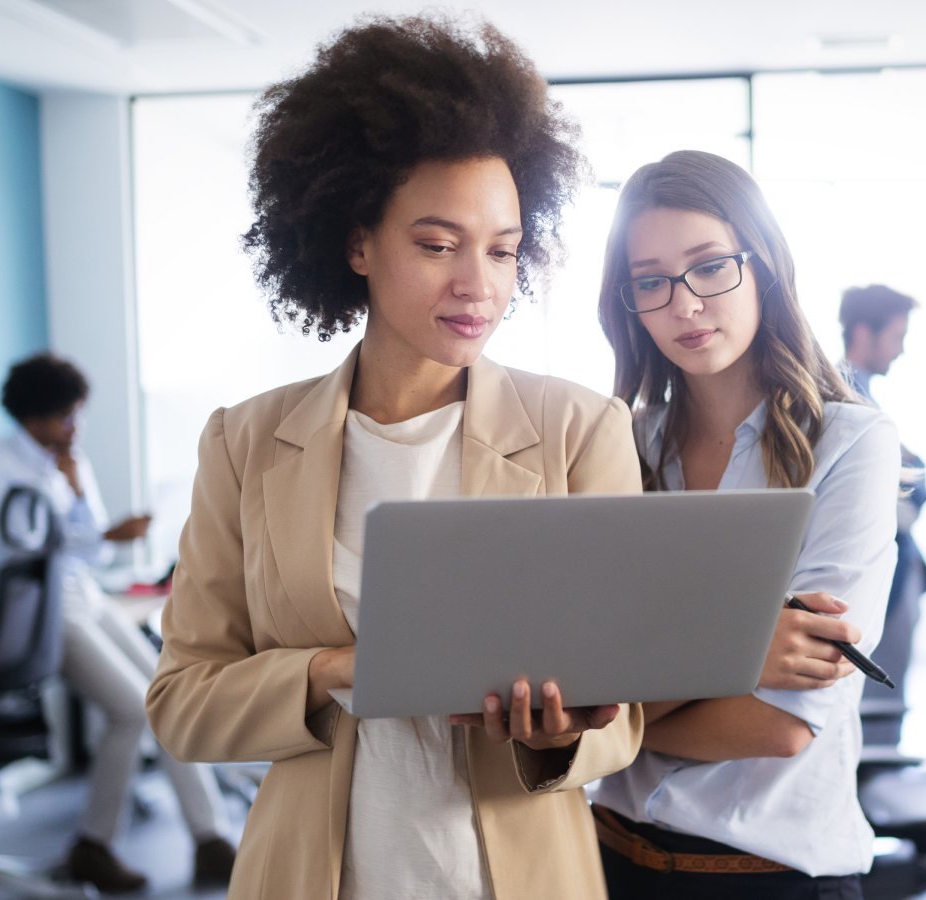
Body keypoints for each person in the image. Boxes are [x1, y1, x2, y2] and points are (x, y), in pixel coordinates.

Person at [145, 16, 643, 900]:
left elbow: (625, 716)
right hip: (316, 876)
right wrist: (335, 671)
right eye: (437, 243)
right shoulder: (247, 442)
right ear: (357, 242)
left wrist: (555, 735)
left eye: (502, 250)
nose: (477, 284)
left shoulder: (578, 429)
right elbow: (183, 704)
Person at [592, 150, 900, 899]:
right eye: (650, 281)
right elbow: (576, 678)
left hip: (771, 878)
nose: (686, 305)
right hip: (606, 863)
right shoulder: (621, 445)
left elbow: (780, 726)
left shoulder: (850, 442)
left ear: (760, 263)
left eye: (709, 266)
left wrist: (610, 717)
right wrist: (742, 651)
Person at [0, 353, 235, 893]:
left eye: (77, 414)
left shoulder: (72, 460)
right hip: (39, 609)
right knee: (132, 710)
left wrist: (82, 496)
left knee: (171, 694)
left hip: (85, 595)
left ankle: (210, 838)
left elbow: (94, 560)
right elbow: (21, 545)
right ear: (32, 417)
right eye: (66, 416)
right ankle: (94, 844)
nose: (74, 427)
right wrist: (102, 532)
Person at [838, 285, 926, 743]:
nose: (902, 347)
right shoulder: (845, 400)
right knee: (878, 702)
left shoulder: (862, 396)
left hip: (895, 569)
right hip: (881, 575)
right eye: (897, 335)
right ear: (863, 332)